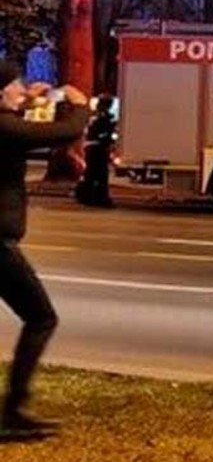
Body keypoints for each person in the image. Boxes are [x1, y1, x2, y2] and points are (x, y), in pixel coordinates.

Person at [0, 64, 89, 434]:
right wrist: (80, 106)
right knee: (41, 317)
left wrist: (38, 99)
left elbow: (30, 123)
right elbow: (61, 133)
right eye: (14, 86)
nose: (22, 90)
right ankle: (14, 413)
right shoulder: (4, 128)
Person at [75, 95, 116, 208]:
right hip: (97, 148)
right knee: (99, 174)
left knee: (91, 173)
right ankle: (98, 197)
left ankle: (90, 196)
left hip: (92, 147)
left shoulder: (95, 115)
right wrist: (109, 139)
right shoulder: (101, 117)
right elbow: (99, 133)